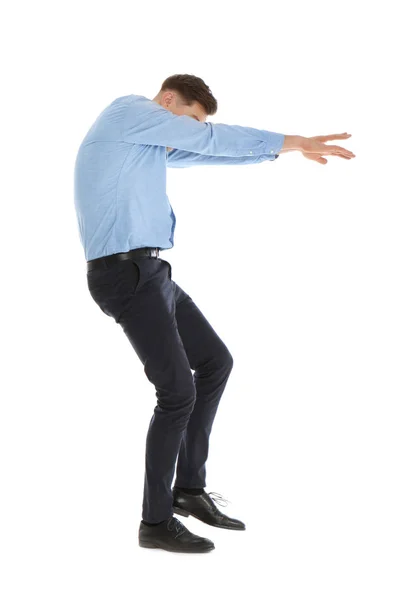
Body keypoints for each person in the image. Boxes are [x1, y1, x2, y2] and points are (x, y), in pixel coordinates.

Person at [74, 73, 355, 553]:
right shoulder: (128, 111)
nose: (191, 129)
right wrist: (293, 138)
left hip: (151, 272)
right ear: (168, 100)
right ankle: (155, 522)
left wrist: (282, 151)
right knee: (176, 392)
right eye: (190, 118)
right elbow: (207, 139)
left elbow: (205, 150)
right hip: (124, 275)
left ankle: (188, 490)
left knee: (215, 363)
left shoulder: (144, 142)